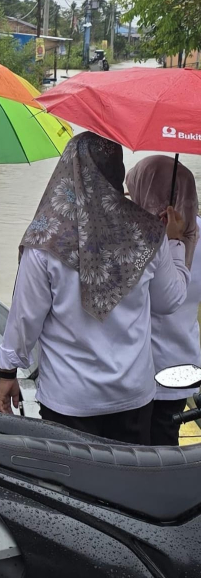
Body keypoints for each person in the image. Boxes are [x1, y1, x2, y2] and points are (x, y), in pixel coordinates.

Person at [0, 133, 189, 444]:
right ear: (117, 170)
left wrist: (7, 372)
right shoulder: (150, 231)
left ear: (68, 168)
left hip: (69, 398)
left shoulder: (46, 238)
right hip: (132, 396)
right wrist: (176, 243)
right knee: (126, 488)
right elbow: (169, 301)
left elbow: (24, 318)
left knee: (71, 488)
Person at [127, 156, 201, 445]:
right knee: (165, 442)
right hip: (182, 363)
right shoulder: (194, 230)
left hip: (134, 369)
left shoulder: (132, 235)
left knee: (134, 448)